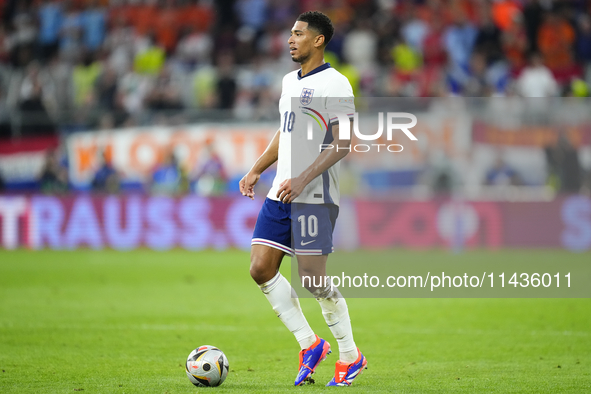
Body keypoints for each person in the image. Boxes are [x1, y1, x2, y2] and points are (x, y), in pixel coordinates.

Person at [239, 11, 367, 387]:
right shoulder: (288, 81)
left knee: (313, 279)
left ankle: (350, 355)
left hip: (315, 195)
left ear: (318, 40)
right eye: (290, 34)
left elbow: (343, 143)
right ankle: (310, 344)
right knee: (260, 268)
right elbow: (285, 131)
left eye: (298, 34)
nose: (290, 40)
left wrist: (304, 177)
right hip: (282, 191)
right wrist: (257, 168)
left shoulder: (337, 83)